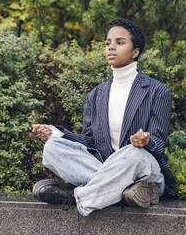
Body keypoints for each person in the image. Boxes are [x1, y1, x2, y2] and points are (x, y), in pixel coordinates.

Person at [31, 18, 177, 217]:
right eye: (108, 43)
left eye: (120, 42)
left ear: (135, 52)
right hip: (107, 169)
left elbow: (159, 146)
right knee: (53, 148)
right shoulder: (96, 94)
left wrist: (146, 141)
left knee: (133, 153)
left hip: (143, 168)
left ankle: (77, 197)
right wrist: (57, 133)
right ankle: (124, 192)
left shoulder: (157, 91)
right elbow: (90, 141)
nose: (111, 48)